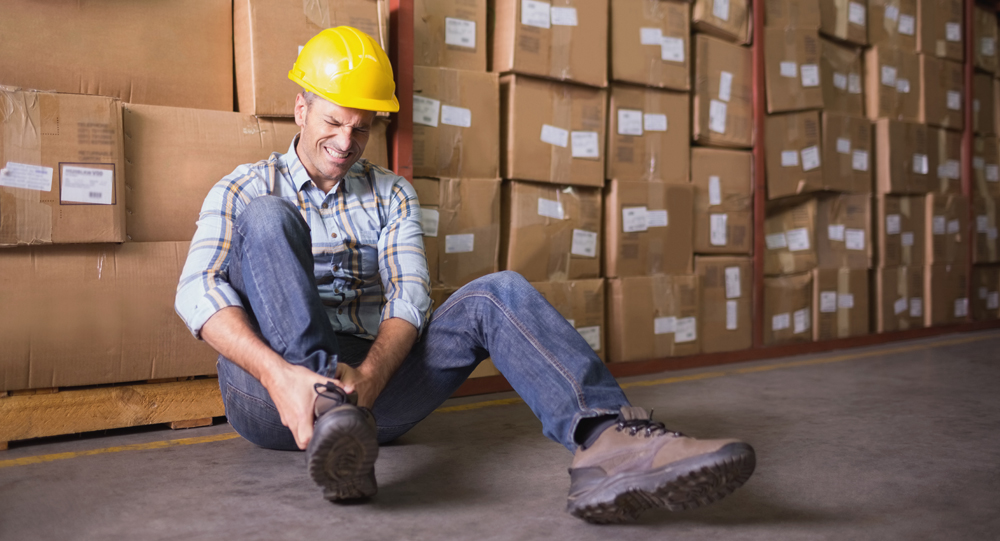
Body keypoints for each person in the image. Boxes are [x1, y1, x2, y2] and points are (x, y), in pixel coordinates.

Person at [175, 26, 755, 524]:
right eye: (333, 122)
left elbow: (410, 299)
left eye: (362, 128)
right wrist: (281, 377)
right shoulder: (245, 187)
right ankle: (329, 417)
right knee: (269, 219)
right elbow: (196, 289)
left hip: (375, 389)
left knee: (496, 292)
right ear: (301, 109)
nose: (346, 142)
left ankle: (608, 441)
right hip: (268, 392)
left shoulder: (392, 194)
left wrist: (371, 380)